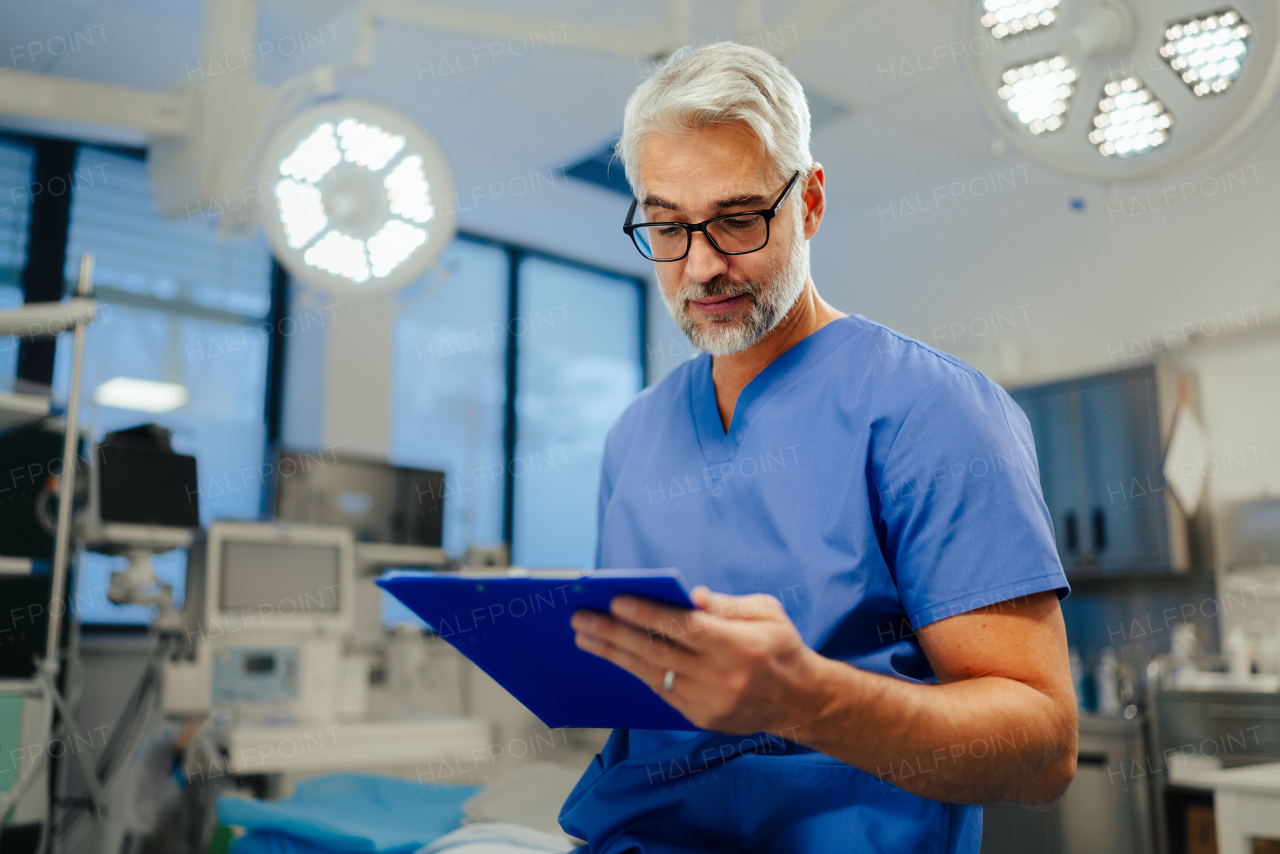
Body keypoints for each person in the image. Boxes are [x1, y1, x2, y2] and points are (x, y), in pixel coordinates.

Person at [560, 42, 1077, 853]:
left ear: (810, 204)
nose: (701, 266)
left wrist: (803, 699)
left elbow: (1043, 748)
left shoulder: (931, 411)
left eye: (737, 219)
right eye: (665, 225)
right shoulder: (635, 436)